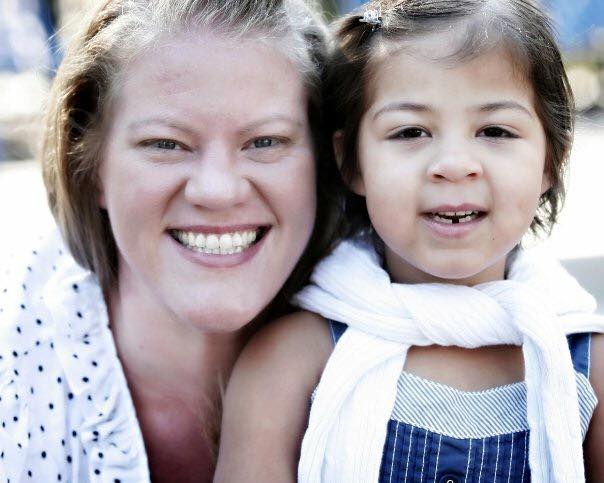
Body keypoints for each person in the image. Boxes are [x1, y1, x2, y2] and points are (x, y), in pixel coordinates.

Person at [215, 1, 604, 481]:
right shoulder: (292, 360)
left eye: (496, 130)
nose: (455, 163)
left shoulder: (585, 364)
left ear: (551, 159)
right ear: (352, 161)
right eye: (411, 131)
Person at [0, 0, 339, 481]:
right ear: (91, 164)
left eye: (265, 142)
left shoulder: (405, 344)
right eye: (166, 144)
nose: (217, 190)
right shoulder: (13, 356)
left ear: (324, 163)